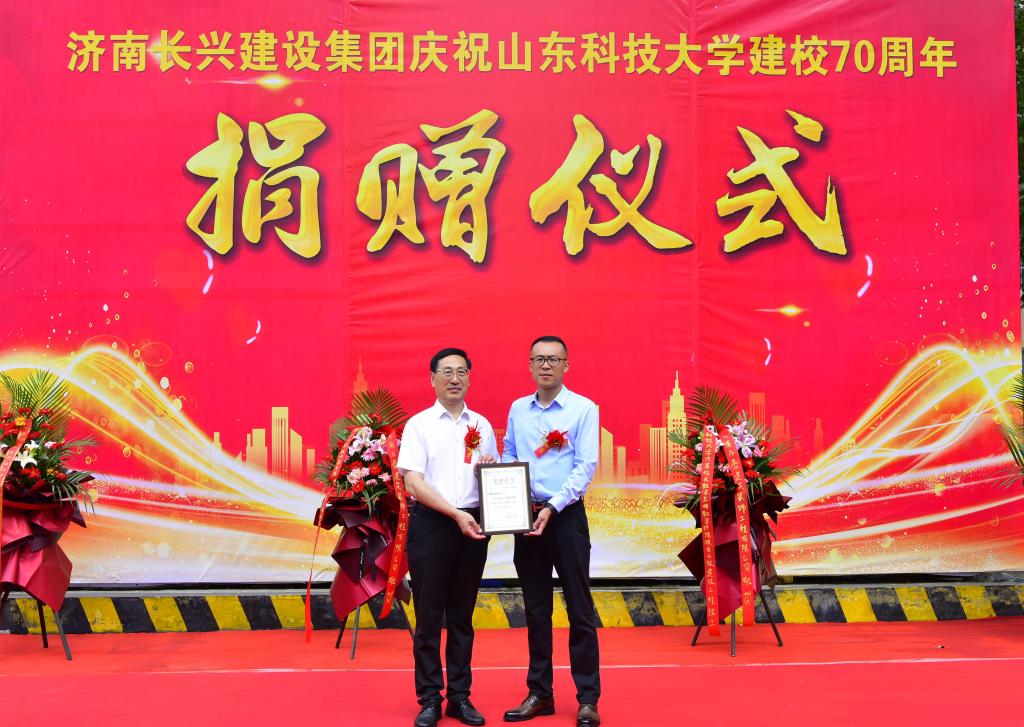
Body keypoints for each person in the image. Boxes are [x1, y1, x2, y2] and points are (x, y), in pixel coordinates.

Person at [500, 336, 601, 727]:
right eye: (539, 359)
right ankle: (540, 693)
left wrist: (552, 506)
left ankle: (588, 698)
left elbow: (585, 466)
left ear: (566, 366)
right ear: (529, 365)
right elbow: (510, 452)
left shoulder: (583, 409)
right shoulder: (518, 409)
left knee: (579, 608)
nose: (546, 365)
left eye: (554, 359)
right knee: (536, 608)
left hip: (565, 517)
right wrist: (506, 486)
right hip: (526, 517)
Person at [397, 347, 499, 727]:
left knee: (462, 616)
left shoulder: (482, 425)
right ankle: (429, 698)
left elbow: (491, 479)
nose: (454, 379)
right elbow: (413, 482)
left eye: (461, 372)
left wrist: (489, 470)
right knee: (428, 617)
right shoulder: (419, 425)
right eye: (447, 372)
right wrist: (453, 514)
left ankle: (459, 697)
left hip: (472, 526)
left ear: (469, 377)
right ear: (433, 379)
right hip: (432, 526)